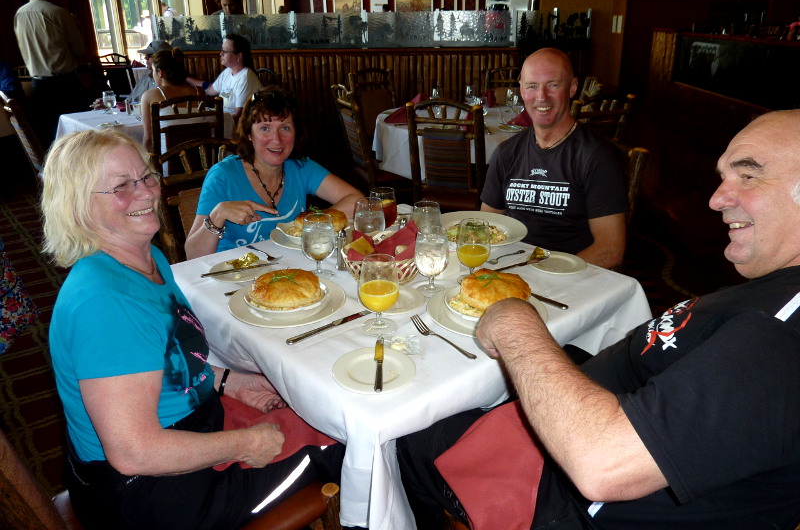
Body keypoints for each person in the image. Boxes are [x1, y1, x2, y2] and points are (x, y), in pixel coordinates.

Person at [398, 109, 800, 530]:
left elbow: (602, 465)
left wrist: (516, 322)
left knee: (407, 432)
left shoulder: (782, 334)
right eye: (724, 177)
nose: (717, 198)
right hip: (590, 415)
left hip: (567, 501)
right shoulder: (774, 291)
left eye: (749, 176)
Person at [41, 129, 343, 530]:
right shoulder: (104, 304)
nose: (147, 193)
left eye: (146, 176)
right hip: (150, 497)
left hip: (184, 432)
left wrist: (228, 382)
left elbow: (163, 359)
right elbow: (134, 452)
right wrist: (247, 443)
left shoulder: (143, 258)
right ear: (77, 207)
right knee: (341, 445)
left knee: (314, 405)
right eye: (121, 187)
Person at [480, 48, 628, 269]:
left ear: (573, 88)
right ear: (521, 90)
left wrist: (544, 273)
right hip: (509, 269)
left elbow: (610, 249)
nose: (541, 97)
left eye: (553, 85)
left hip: (572, 276)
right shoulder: (506, 152)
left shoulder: (596, 157)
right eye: (532, 86)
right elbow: (487, 225)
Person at [185, 88, 363, 257]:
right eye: (265, 128)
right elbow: (193, 255)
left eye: (285, 128)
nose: (276, 139)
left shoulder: (301, 168)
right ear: (249, 133)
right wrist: (218, 214)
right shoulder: (223, 176)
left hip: (286, 273)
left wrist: (314, 223)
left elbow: (357, 202)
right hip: (230, 278)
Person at [14, 0, 87, 150]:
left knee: (50, 135)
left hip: (37, 85)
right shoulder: (58, 13)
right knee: (77, 135)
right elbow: (79, 49)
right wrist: (74, 26)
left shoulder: (19, 13)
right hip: (65, 84)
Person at [140, 47, 207, 152]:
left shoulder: (149, 96)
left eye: (153, 71)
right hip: (201, 161)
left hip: (167, 162)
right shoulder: (199, 92)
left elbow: (148, 139)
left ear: (160, 72)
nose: (153, 75)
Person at [188, 34, 262, 121]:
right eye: (221, 50)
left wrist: (214, 122)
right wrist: (187, 80)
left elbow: (240, 115)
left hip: (234, 127)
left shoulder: (245, 77)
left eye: (225, 51)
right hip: (222, 120)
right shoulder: (228, 71)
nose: (221, 54)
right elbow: (210, 89)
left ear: (238, 56)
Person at [89, 39, 166, 110]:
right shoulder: (145, 79)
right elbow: (128, 101)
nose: (145, 58)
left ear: (161, 58)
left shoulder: (166, 82)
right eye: (145, 55)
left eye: (149, 55)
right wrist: (110, 104)